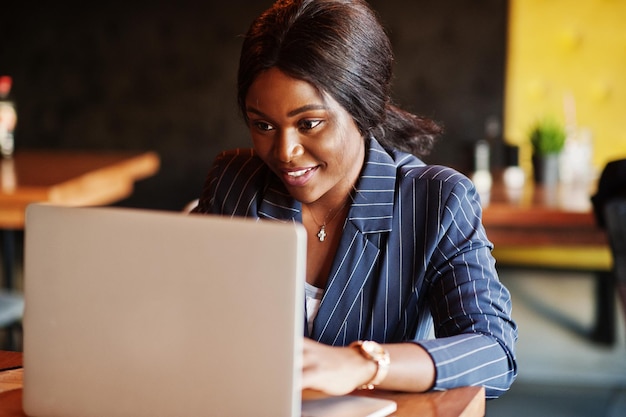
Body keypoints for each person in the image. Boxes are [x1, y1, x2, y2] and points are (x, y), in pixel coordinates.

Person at [192, 0, 517, 399]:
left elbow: (494, 353)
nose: (284, 151)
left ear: (363, 108)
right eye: (263, 125)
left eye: (308, 124)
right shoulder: (233, 185)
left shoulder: (436, 201)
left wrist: (362, 363)